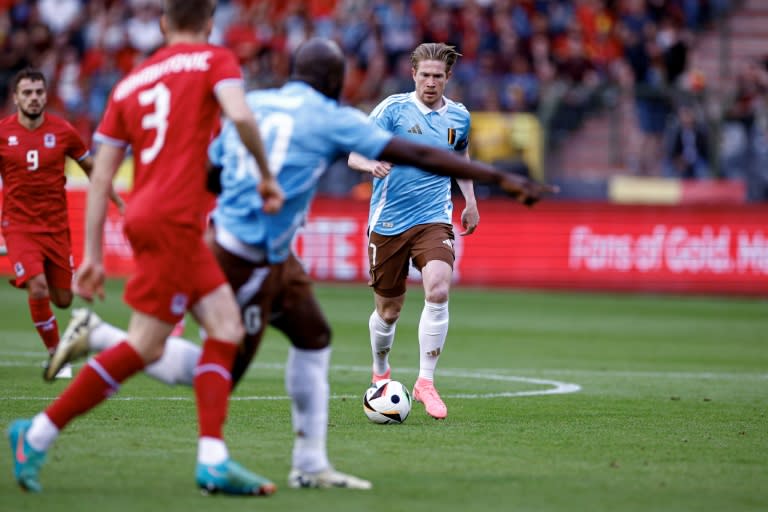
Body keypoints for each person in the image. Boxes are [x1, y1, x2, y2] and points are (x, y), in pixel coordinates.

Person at [43, 37, 556, 491]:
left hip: (258, 246)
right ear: (335, 83)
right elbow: (417, 155)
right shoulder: (333, 116)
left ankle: (310, 463)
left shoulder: (255, 103)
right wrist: (502, 179)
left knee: (314, 335)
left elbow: (212, 169)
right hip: (245, 255)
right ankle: (108, 345)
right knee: (219, 365)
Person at [7, 0, 283, 496]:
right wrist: (265, 176)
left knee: (224, 326)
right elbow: (240, 114)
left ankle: (213, 457)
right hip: (175, 219)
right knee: (145, 346)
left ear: (162, 24)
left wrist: (92, 254)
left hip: (147, 216)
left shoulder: (131, 82)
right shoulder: (214, 58)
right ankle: (38, 433)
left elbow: (101, 176)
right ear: (208, 24)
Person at [346, 43, 475, 420]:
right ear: (413, 75)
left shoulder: (459, 117)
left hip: (434, 216)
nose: (431, 82)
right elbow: (354, 153)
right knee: (388, 310)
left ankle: (425, 382)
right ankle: (381, 369)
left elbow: (460, 156)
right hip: (388, 223)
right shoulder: (392, 110)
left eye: (438, 76)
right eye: (425, 75)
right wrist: (371, 165)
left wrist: (470, 200)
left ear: (447, 77)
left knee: (438, 287)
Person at [0, 68, 124, 380]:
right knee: (38, 287)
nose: (33, 98)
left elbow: (95, 171)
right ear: (15, 98)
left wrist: (121, 203)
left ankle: (26, 273)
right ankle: (58, 353)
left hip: (55, 228)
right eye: (27, 93)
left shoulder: (64, 131)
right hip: (18, 225)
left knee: (64, 300)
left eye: (39, 92)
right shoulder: (2, 133)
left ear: (46, 95)